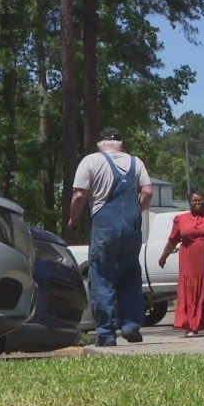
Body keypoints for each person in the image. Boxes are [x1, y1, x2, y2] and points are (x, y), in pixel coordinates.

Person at [68, 127, 153, 346]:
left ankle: (106, 334)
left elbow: (79, 195)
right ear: (120, 144)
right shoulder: (136, 162)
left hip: (104, 226)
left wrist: (73, 219)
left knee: (102, 276)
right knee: (130, 273)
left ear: (101, 144)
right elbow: (148, 191)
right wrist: (137, 209)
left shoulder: (91, 161)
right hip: (131, 226)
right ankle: (131, 325)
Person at [158, 191, 204, 337]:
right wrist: (163, 257)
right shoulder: (181, 219)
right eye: (195, 201)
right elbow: (172, 240)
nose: (198, 203)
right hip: (189, 265)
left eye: (200, 200)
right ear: (189, 203)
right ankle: (191, 327)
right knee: (190, 293)